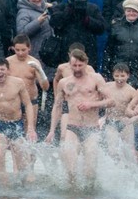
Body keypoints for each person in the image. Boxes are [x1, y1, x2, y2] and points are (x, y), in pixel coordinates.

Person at [45, 49, 114, 189]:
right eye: (74, 66)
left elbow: (112, 101)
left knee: (90, 172)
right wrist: (52, 130)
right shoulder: (64, 82)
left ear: (86, 63)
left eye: (80, 66)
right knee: (70, 170)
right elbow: (57, 106)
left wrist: (91, 104)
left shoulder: (96, 78)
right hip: (72, 127)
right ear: (69, 65)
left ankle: (90, 197)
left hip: (91, 129)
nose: (77, 69)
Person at [0, 58, 36, 187]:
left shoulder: (18, 83)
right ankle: (5, 192)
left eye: (2, 69)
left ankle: (24, 188)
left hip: (17, 125)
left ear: (7, 70)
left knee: (21, 162)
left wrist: (30, 127)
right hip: (0, 125)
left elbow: (28, 105)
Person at [49, 0, 106, 69]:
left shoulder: (92, 8)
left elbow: (101, 28)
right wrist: (69, 10)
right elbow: (54, 22)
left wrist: (86, 19)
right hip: (66, 49)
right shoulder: (62, 7)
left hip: (88, 50)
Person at [103, 0, 138, 87]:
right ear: (125, 12)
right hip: (119, 69)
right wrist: (106, 71)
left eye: (134, 11)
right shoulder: (116, 26)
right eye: (129, 11)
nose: (131, 13)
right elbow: (109, 50)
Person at [101, 63, 137, 162]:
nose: (119, 79)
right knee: (112, 151)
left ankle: (129, 173)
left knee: (129, 154)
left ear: (128, 76)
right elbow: (97, 101)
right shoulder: (107, 87)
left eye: (122, 76)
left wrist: (131, 120)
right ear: (113, 75)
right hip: (111, 122)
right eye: (116, 76)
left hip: (126, 124)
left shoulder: (131, 91)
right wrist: (101, 117)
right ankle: (116, 170)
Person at [16, 0, 54, 76]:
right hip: (35, 53)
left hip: (48, 53)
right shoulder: (23, 12)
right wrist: (38, 22)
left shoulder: (44, 9)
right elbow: (21, 33)